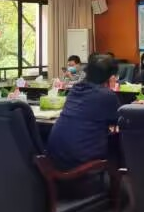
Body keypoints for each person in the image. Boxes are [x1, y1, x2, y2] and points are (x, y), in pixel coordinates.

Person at [46, 54, 122, 196]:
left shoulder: (75, 90)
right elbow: (121, 121)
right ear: (111, 77)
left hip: (55, 171)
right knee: (125, 190)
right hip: (81, 176)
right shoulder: (106, 95)